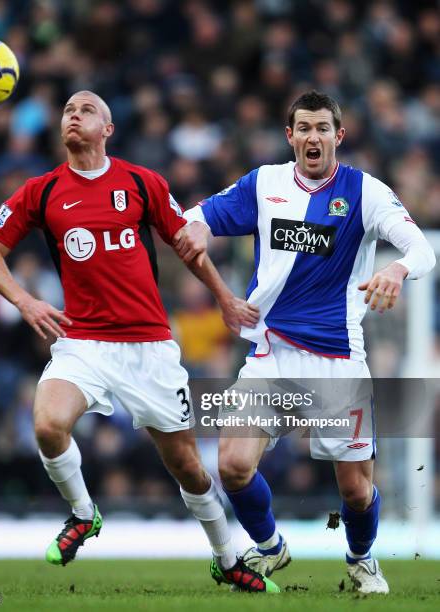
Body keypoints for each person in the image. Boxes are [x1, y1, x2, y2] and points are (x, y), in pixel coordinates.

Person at [0, 90, 279, 593]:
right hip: (83, 343)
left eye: (86, 109)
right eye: (68, 110)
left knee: (188, 467)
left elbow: (188, 247)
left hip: (149, 347)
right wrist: (26, 302)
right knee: (48, 425)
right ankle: (83, 514)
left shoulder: (142, 182)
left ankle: (227, 558)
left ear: (108, 129)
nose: (74, 116)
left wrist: (225, 298)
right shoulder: (42, 191)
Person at [174, 90, 436, 594]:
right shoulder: (264, 184)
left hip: (337, 359)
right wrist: (198, 230)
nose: (312, 137)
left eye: (322, 128)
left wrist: (398, 270)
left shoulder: (367, 193)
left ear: (338, 136)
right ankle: (270, 547)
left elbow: (421, 248)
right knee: (231, 464)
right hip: (271, 353)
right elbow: (199, 217)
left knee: (356, 492)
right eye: (304, 128)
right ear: (289, 136)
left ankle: (362, 559)